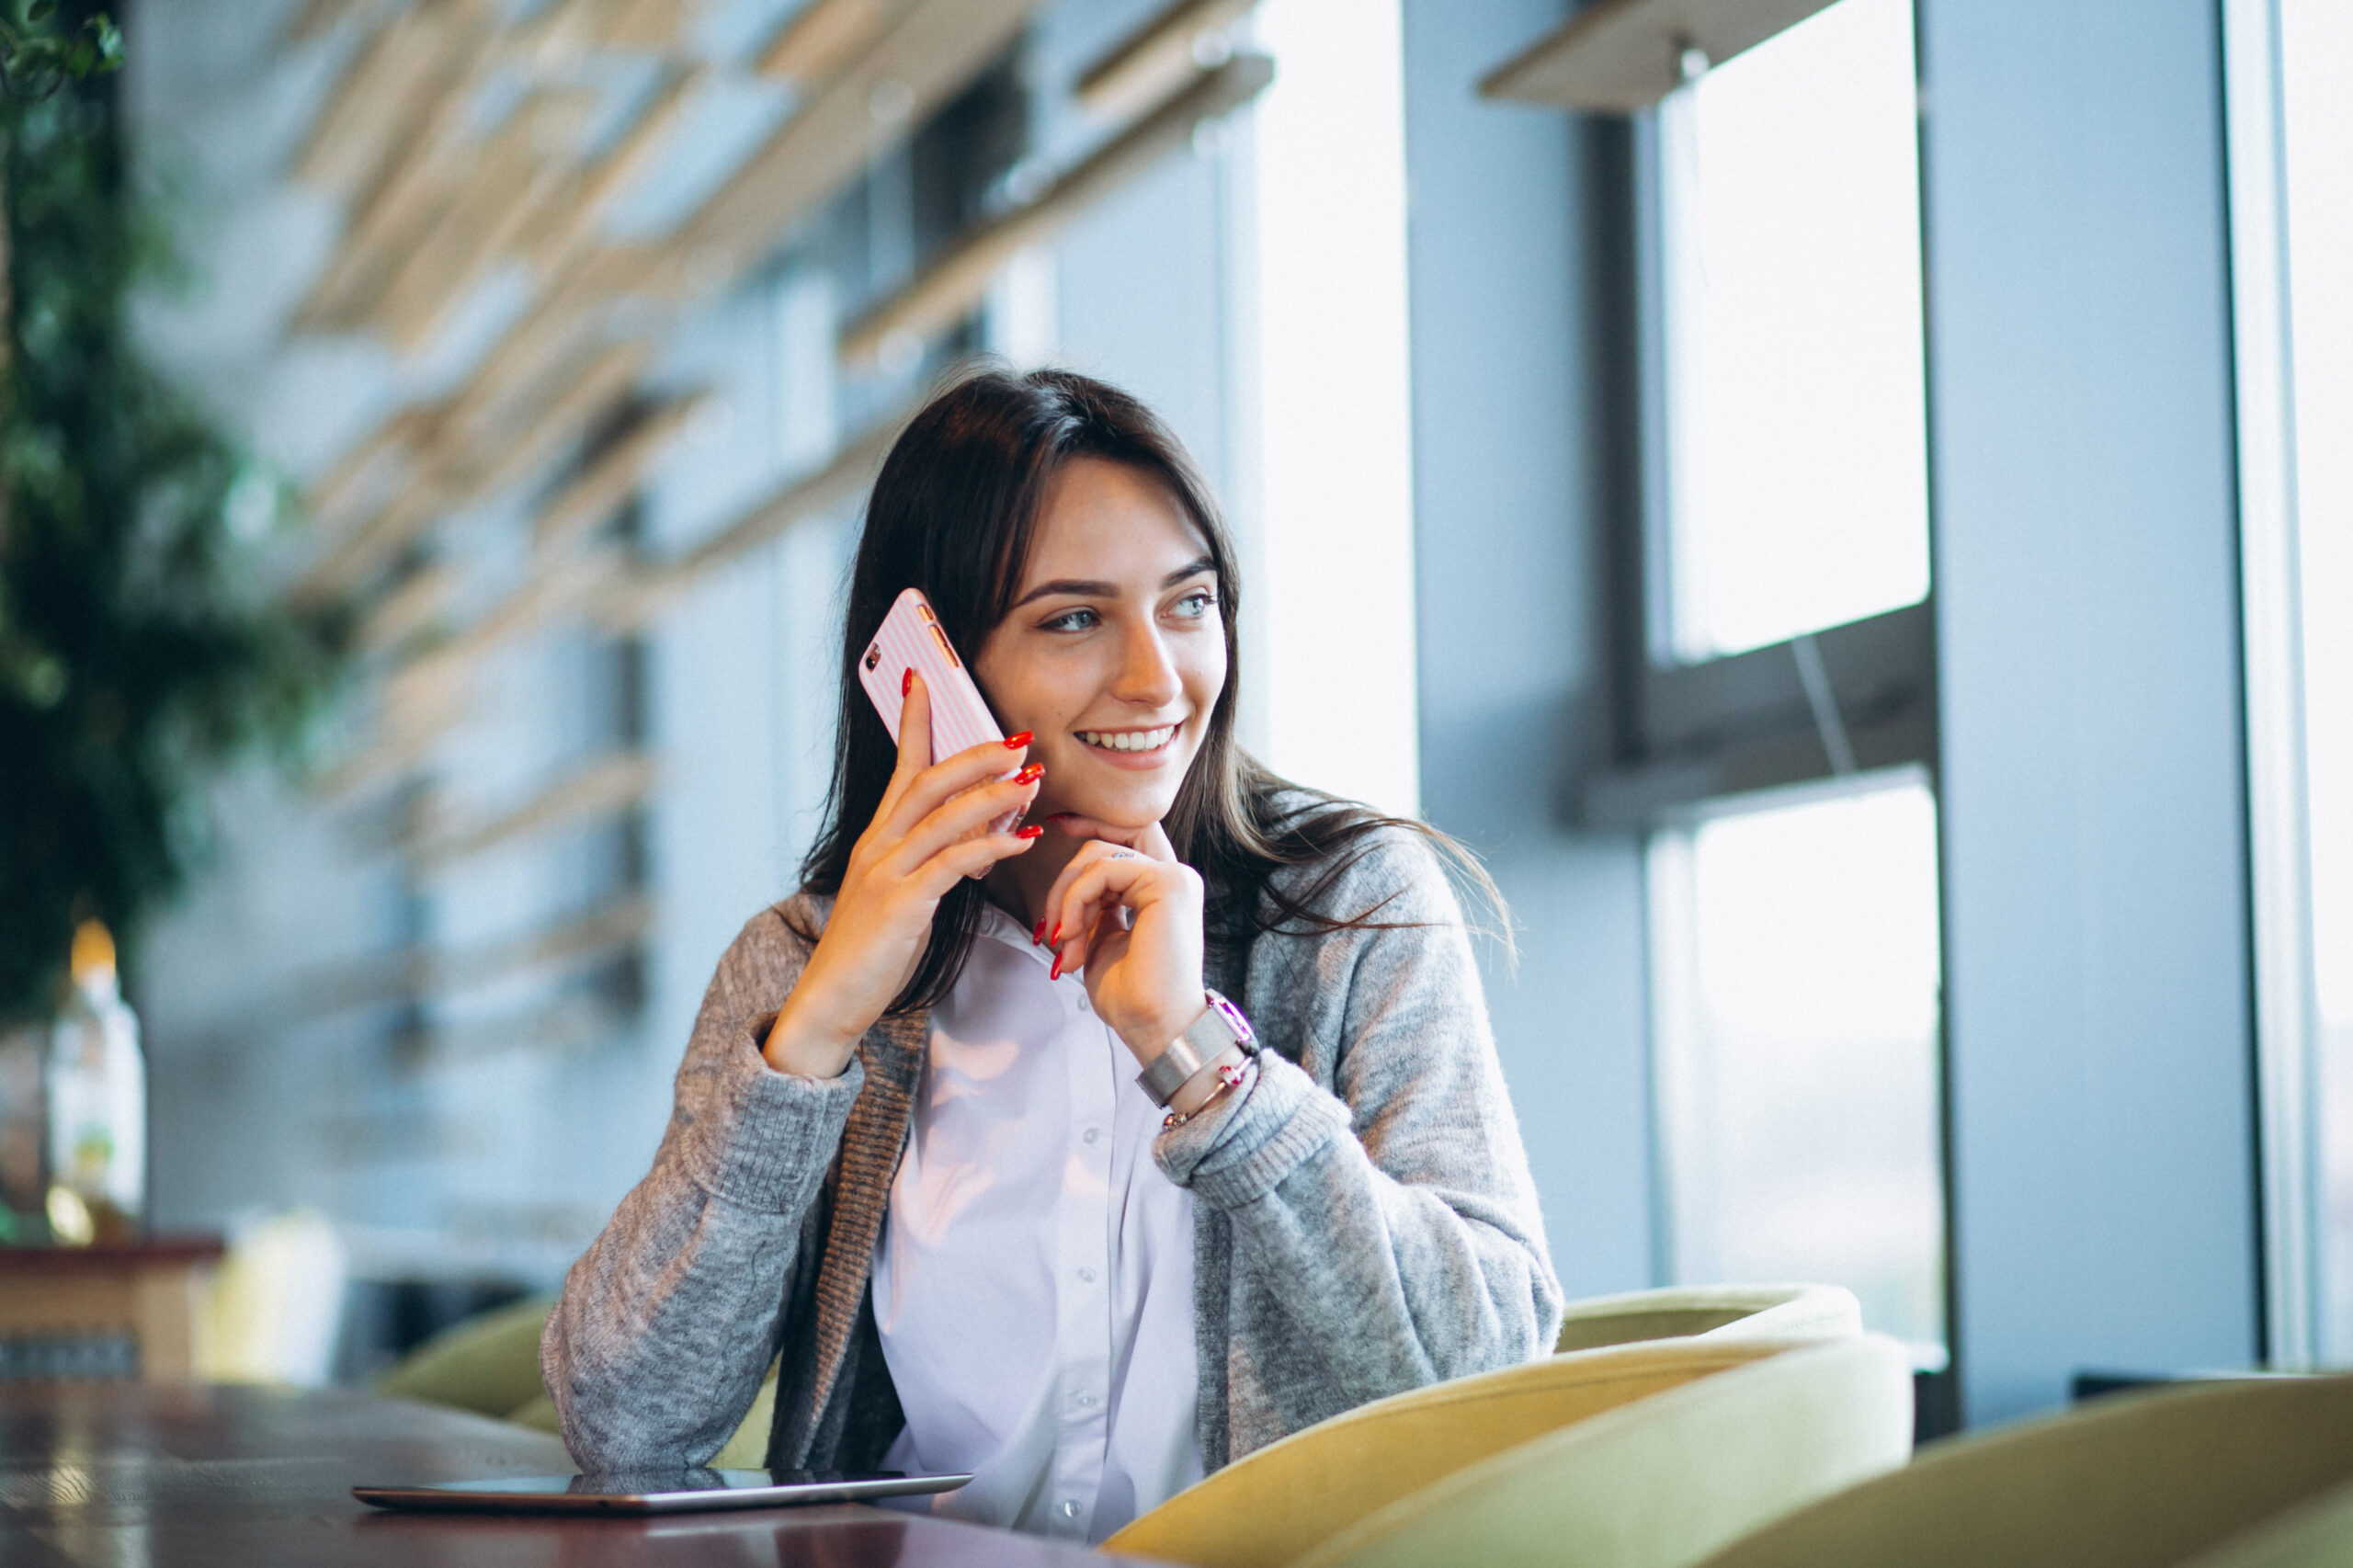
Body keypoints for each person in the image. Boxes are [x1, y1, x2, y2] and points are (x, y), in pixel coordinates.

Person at [542, 367, 1563, 1544]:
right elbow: (624, 1424)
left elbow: (1485, 1359)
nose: (1154, 677)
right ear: (932, 665)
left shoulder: (1346, 912)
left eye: (1187, 603)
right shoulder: (802, 968)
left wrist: (1200, 1060)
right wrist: (811, 1035)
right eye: (1073, 618)